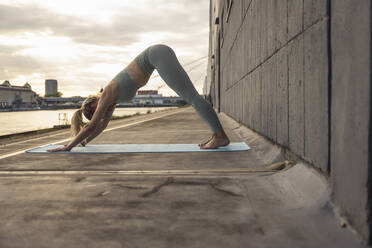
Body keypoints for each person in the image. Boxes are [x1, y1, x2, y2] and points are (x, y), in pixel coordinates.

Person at [47, 44, 229, 152]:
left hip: (156, 55)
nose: (101, 114)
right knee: (192, 97)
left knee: (192, 97)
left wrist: (68, 146)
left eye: (95, 112)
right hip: (157, 57)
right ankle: (218, 135)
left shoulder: (107, 94)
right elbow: (100, 126)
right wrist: (84, 143)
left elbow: (93, 124)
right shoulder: (112, 102)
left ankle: (219, 136)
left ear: (93, 104)